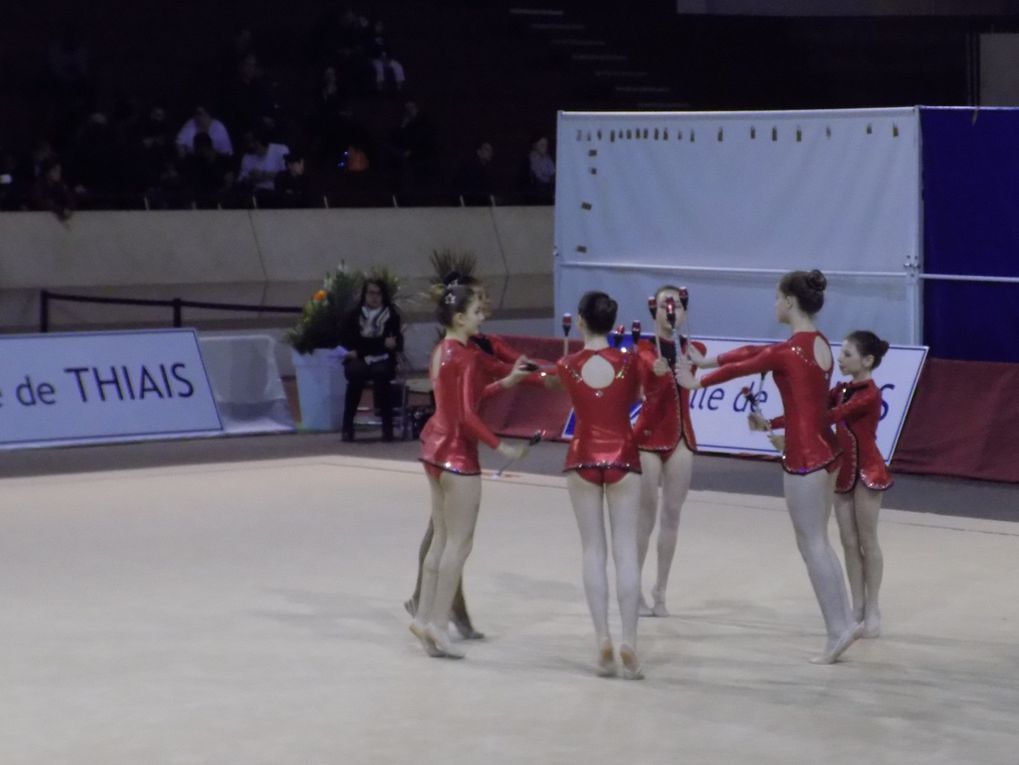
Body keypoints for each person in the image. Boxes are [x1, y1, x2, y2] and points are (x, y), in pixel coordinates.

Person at [676, 270, 861, 664]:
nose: (773, 305)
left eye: (776, 298)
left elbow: (748, 365)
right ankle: (844, 621)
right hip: (827, 452)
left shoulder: (788, 352)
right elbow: (751, 353)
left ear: (790, 302)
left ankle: (837, 630)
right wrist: (706, 359)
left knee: (811, 544)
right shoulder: (819, 344)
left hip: (805, 458)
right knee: (820, 542)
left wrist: (697, 384)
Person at [404, 273, 546, 640]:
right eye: (476, 311)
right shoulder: (465, 357)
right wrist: (503, 447)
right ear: (459, 318)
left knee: (439, 539)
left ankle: (423, 618)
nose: (482, 316)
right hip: (457, 456)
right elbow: (467, 416)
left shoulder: (442, 351)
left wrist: (508, 382)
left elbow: (462, 402)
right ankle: (438, 624)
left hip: (434, 451)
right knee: (459, 543)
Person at [547, 291, 666, 679]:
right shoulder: (630, 361)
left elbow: (541, 381)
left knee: (592, 550)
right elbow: (651, 394)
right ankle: (629, 638)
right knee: (626, 552)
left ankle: (602, 638)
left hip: (582, 455)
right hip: (623, 455)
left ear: (579, 321)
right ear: (613, 323)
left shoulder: (567, 364)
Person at [632, 285, 706, 617]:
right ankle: (632, 588)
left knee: (672, 515)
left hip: (680, 438)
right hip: (647, 438)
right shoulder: (644, 349)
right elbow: (648, 362)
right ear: (654, 311)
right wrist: (656, 368)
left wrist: (680, 361)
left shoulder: (695, 348)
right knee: (645, 517)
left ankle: (660, 591)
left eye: (675, 304)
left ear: (684, 311)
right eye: (663, 305)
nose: (669, 309)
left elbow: (694, 360)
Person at [821, 331, 893, 639]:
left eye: (847, 354)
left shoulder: (869, 394)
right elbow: (812, 410)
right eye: (841, 352)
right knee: (848, 542)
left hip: (868, 471)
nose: (840, 358)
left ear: (867, 360)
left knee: (867, 540)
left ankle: (874, 606)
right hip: (844, 472)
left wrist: (789, 423)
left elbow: (831, 416)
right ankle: (858, 605)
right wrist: (774, 422)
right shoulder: (840, 390)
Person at [338, 278, 403, 442]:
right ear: (364, 295)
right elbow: (351, 341)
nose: (374, 297)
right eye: (371, 293)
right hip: (359, 360)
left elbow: (395, 343)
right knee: (355, 374)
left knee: (382, 375)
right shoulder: (354, 315)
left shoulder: (391, 315)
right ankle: (347, 426)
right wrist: (380, 343)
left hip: (382, 359)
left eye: (378, 294)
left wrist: (366, 348)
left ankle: (387, 428)